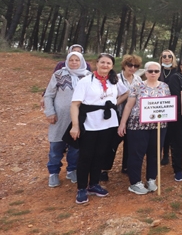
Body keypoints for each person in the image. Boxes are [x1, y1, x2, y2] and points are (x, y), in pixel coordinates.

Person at [69, 53, 128, 204]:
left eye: (108, 63)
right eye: (102, 62)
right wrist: (75, 126)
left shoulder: (114, 80)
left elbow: (126, 92)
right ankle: (82, 188)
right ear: (97, 63)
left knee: (100, 154)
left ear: (112, 66)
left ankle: (94, 184)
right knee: (86, 156)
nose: (105, 65)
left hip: (108, 123)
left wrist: (113, 103)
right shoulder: (86, 81)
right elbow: (75, 104)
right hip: (90, 123)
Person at [117, 62, 170, 195]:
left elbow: (168, 105)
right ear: (145, 72)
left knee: (155, 153)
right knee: (136, 154)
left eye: (156, 71)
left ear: (159, 73)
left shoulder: (165, 87)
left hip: (158, 126)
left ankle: (151, 179)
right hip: (137, 125)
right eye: (150, 71)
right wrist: (123, 123)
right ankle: (135, 182)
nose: (153, 73)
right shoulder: (137, 86)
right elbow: (129, 106)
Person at [43, 52, 90, 188]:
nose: (74, 63)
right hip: (60, 117)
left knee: (75, 147)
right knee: (56, 146)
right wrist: (50, 112)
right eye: (71, 60)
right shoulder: (59, 75)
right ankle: (53, 173)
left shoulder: (87, 76)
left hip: (78, 118)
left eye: (77, 60)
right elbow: (48, 95)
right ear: (67, 61)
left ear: (81, 61)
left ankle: (72, 170)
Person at [101, 54, 143, 182]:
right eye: (130, 65)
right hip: (117, 115)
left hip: (133, 116)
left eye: (135, 66)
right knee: (112, 143)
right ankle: (104, 169)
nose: (132, 68)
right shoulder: (115, 78)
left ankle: (127, 167)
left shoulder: (138, 80)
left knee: (130, 144)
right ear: (124, 65)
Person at [41, 44, 92, 110]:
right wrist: (45, 96)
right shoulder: (60, 68)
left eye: (78, 52)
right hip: (62, 107)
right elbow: (52, 84)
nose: (74, 62)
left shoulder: (88, 73)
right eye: (74, 51)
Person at [159, 50, 178, 165]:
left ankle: (170, 154)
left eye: (169, 56)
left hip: (173, 104)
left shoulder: (176, 71)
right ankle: (163, 154)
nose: (166, 58)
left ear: (173, 58)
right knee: (162, 131)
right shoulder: (157, 70)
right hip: (159, 104)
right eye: (164, 56)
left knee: (171, 131)